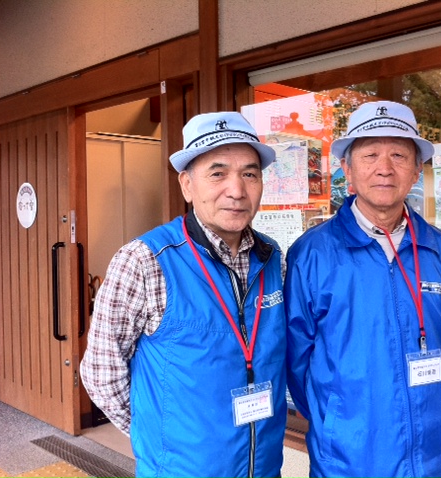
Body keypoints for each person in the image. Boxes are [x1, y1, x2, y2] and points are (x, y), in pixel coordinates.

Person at [80, 112, 287, 478]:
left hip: (263, 467)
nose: (237, 190)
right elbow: (101, 372)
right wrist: (161, 438)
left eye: (249, 174)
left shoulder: (272, 257)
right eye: (217, 173)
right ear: (187, 185)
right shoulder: (144, 260)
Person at [285, 101, 441, 478]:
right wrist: (336, 421)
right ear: (347, 167)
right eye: (370, 155)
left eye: (399, 155)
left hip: (432, 459)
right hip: (348, 461)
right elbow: (296, 358)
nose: (384, 168)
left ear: (417, 170)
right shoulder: (313, 254)